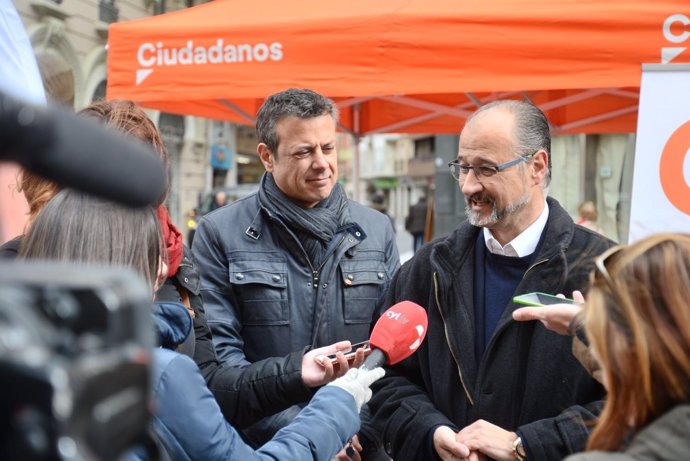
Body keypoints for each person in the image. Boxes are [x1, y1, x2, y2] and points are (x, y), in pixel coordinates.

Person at [19, 188, 386, 461]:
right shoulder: (159, 372)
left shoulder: (21, 359)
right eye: (150, 256)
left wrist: (294, 372)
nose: (164, 270)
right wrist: (336, 405)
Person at [364, 100, 612, 461]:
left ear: (537, 167)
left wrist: (527, 445)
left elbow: (639, 402)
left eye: (485, 169)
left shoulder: (608, 273)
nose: (467, 185)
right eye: (462, 167)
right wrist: (431, 431)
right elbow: (384, 377)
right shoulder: (426, 268)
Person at [192, 88, 400, 457]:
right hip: (267, 448)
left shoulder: (377, 229)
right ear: (266, 157)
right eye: (304, 152)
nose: (321, 163)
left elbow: (389, 357)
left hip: (358, 446)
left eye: (328, 147)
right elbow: (223, 368)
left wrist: (357, 432)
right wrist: (316, 434)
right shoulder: (218, 233)